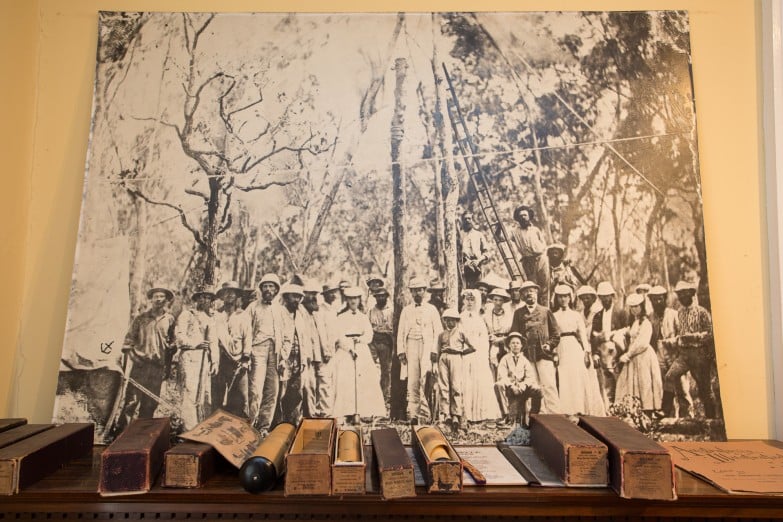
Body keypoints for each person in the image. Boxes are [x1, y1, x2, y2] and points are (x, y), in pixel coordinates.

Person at [118, 284, 176, 431]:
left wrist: (167, 368)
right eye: (156, 296)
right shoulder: (141, 319)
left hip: (157, 367)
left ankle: (141, 435)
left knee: (150, 403)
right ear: (151, 299)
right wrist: (134, 358)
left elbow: (172, 346)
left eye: (162, 296)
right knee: (131, 401)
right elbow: (128, 342)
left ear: (166, 300)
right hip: (140, 366)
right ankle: (121, 433)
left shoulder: (170, 320)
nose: (159, 299)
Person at [662, 281, 719, 419]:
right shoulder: (680, 312)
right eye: (679, 295)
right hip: (684, 355)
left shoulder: (702, 312)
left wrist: (694, 337)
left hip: (700, 354)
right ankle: (665, 410)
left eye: (684, 294)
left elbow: (711, 334)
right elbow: (680, 334)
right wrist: (676, 340)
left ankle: (711, 420)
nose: (682, 298)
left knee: (704, 388)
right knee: (670, 376)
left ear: (692, 294)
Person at [332, 287, 386, 422]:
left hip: (361, 348)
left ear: (359, 300)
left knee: (363, 381)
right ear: (347, 300)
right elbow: (338, 335)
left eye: (355, 298)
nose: (353, 301)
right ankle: (346, 412)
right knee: (346, 380)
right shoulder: (341, 317)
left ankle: (361, 412)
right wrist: (349, 348)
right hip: (346, 351)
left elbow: (369, 334)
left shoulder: (363, 317)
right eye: (350, 299)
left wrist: (361, 340)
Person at [509, 281, 561, 413]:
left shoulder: (545, 311)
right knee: (532, 386)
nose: (529, 295)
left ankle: (555, 415)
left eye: (531, 291)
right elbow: (514, 334)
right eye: (525, 293)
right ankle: (539, 416)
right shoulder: (519, 313)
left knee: (548, 385)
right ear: (522, 296)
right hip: (527, 355)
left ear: (536, 293)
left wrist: (549, 345)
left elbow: (556, 334)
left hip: (543, 355)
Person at [551, 285, 603, 416]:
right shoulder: (553, 316)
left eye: (565, 296)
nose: (563, 299)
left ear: (570, 298)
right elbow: (552, 335)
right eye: (560, 297)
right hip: (560, 346)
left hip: (574, 346)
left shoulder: (575, 315)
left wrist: (586, 352)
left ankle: (580, 407)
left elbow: (583, 335)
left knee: (577, 376)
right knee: (564, 376)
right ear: (556, 298)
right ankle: (567, 409)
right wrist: (554, 353)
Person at [397, 277, 442, 423]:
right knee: (413, 380)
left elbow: (438, 332)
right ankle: (414, 414)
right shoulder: (406, 310)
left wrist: (435, 350)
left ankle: (427, 413)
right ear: (411, 292)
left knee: (426, 377)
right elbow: (401, 332)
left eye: (420, 290)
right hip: (411, 345)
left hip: (427, 346)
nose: (417, 293)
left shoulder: (432, 309)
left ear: (424, 291)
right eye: (414, 290)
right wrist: (401, 351)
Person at [174, 287, 218, 430]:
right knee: (189, 392)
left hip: (204, 360)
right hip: (189, 357)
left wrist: (215, 361)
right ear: (196, 299)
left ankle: (202, 426)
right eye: (201, 297)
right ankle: (189, 428)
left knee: (204, 394)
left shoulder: (210, 319)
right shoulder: (187, 315)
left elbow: (213, 341)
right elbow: (180, 337)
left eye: (207, 298)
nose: (204, 300)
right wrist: (195, 344)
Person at [614, 293, 663, 414]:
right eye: (631, 307)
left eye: (637, 306)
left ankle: (647, 412)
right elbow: (631, 336)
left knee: (644, 383)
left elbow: (642, 343)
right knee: (630, 383)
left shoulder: (646, 323)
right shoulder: (634, 322)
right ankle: (634, 411)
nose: (634, 309)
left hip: (644, 356)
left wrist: (628, 354)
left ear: (642, 306)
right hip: (635, 357)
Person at [648, 285, 692, 418]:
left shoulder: (674, 314)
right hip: (658, 354)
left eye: (660, 299)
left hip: (674, 353)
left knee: (681, 386)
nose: (657, 302)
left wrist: (673, 342)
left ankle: (688, 417)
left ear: (665, 299)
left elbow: (683, 335)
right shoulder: (651, 317)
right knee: (664, 386)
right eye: (654, 300)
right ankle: (670, 418)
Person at [247, 273, 282, 431]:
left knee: (272, 391)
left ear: (276, 290)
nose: (268, 289)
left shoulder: (280, 309)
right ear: (261, 289)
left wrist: (284, 355)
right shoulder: (253, 307)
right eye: (265, 286)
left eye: (271, 286)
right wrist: (247, 353)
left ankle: (263, 428)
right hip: (257, 350)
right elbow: (246, 331)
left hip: (275, 352)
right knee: (255, 390)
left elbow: (286, 334)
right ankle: (250, 424)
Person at [460, 289, 502, 422]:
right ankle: (465, 414)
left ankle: (480, 415)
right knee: (464, 382)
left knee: (479, 382)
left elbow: (484, 341)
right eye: (467, 299)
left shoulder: (480, 320)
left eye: (472, 300)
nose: (469, 302)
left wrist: (482, 357)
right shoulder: (460, 318)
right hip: (463, 354)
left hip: (477, 356)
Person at [214, 281, 252, 419]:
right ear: (222, 296)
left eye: (233, 292)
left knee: (240, 397)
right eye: (226, 292)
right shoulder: (216, 315)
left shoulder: (243, 316)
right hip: (220, 360)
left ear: (237, 296)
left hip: (238, 361)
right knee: (218, 396)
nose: (229, 295)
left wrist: (245, 359)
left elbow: (248, 338)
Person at [590, 281, 628, 404]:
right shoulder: (598, 315)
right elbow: (593, 336)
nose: (605, 299)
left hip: (618, 351)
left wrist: (613, 334)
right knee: (607, 379)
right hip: (603, 353)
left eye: (607, 296)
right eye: (602, 297)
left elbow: (628, 329)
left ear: (612, 296)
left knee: (620, 379)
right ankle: (610, 405)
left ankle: (621, 405)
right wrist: (595, 353)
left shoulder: (621, 312)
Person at [436, 308, 474, 434]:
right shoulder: (442, 334)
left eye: (452, 320)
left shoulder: (461, 333)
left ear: (457, 321)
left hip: (456, 358)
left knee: (456, 387)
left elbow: (472, 347)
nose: (449, 323)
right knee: (444, 387)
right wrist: (436, 364)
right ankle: (445, 413)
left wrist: (461, 352)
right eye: (447, 320)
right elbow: (438, 350)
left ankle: (456, 414)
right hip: (443, 358)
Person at [494, 332, 542, 427]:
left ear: (521, 346)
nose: (515, 345)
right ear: (509, 345)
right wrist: (511, 386)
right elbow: (502, 375)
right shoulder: (505, 359)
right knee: (498, 385)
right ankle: (506, 416)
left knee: (537, 390)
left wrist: (523, 385)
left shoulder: (525, 360)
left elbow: (530, 376)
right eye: (513, 343)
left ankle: (533, 417)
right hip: (510, 387)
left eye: (517, 343)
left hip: (522, 387)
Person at [301, 281, 334, 418]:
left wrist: (326, 350)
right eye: (310, 294)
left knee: (324, 383)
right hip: (307, 355)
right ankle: (311, 414)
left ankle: (325, 413)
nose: (313, 298)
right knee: (309, 385)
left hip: (319, 354)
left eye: (315, 294)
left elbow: (322, 334)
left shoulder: (318, 313)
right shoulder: (300, 313)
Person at [510, 205, 549, 307]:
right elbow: (503, 237)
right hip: (528, 261)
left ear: (529, 217)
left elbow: (543, 243)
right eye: (521, 215)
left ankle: (545, 309)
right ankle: (535, 308)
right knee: (532, 287)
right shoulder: (515, 232)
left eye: (525, 215)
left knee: (544, 286)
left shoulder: (535, 230)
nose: (523, 217)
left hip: (541, 258)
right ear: (518, 218)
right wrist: (498, 230)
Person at [368, 287, 393, 412]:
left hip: (386, 341)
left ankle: (385, 397)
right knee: (371, 369)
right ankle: (372, 397)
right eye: (378, 296)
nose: (380, 298)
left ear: (386, 297)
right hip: (373, 340)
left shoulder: (391, 311)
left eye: (382, 296)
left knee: (386, 370)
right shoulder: (371, 311)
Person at [460, 211, 490, 289]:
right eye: (465, 219)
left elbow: (487, 253)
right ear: (462, 221)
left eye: (469, 218)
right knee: (465, 290)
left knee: (479, 288)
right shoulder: (459, 235)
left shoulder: (479, 234)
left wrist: (478, 260)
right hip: (463, 268)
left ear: (472, 220)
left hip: (478, 266)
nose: (467, 220)